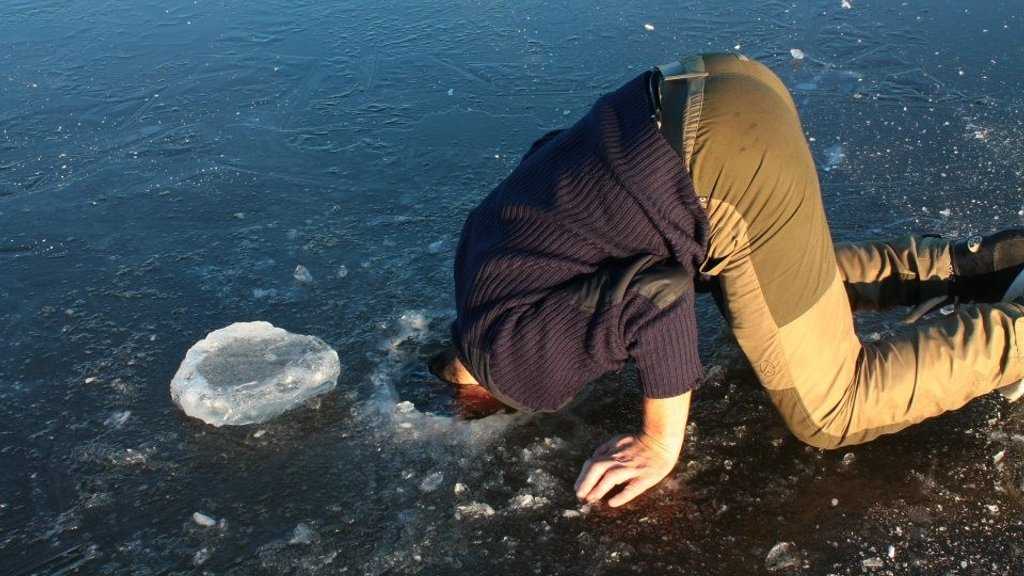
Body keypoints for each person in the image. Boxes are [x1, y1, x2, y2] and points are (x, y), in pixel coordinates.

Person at [430, 53, 1024, 508]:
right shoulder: (474, 274)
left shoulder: (510, 365)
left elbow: (656, 299)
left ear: (473, 396)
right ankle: (985, 270)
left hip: (725, 157)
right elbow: (549, 157)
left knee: (831, 410)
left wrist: (658, 442)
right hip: (710, 87)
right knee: (764, 282)